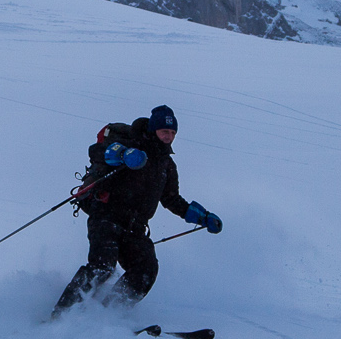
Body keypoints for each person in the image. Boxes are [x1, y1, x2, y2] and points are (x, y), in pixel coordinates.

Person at [52, 104, 222, 316]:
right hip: (106, 217)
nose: (168, 137)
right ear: (154, 130)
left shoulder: (167, 166)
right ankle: (60, 315)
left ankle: (108, 314)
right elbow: (97, 152)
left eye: (172, 133)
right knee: (102, 267)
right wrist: (123, 154)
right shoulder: (132, 144)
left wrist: (202, 217)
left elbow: (172, 199)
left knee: (146, 270)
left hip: (135, 228)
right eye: (164, 131)